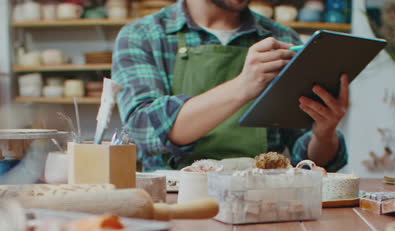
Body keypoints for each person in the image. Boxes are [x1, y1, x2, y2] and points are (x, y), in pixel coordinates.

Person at [111, 0, 349, 172]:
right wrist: (243, 86)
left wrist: (324, 133)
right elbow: (143, 130)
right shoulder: (143, 36)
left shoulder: (280, 38)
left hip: (262, 198)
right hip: (176, 203)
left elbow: (308, 161)